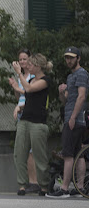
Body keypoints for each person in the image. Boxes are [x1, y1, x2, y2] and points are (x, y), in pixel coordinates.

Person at [47, 47, 88, 198]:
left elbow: (82, 96)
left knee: (68, 154)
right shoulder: (71, 77)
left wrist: (73, 117)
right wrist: (60, 92)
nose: (68, 60)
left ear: (78, 58)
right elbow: (66, 100)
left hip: (74, 119)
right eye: (67, 58)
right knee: (78, 153)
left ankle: (64, 188)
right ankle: (80, 188)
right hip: (73, 117)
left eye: (71, 57)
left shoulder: (82, 74)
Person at [11, 53, 52, 196]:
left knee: (39, 155)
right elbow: (27, 95)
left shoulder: (45, 80)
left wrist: (19, 73)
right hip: (25, 120)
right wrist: (19, 102)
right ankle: (22, 184)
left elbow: (29, 89)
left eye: (31, 64)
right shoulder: (32, 80)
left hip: (38, 123)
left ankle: (44, 185)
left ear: (38, 66)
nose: (28, 66)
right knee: (20, 153)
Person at [9, 48, 39, 193]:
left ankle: (34, 181)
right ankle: (24, 183)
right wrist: (15, 87)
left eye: (24, 59)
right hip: (21, 110)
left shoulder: (33, 76)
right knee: (22, 150)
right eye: (20, 59)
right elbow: (19, 96)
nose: (22, 62)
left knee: (31, 150)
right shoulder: (21, 76)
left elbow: (30, 93)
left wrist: (18, 84)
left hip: (29, 111)